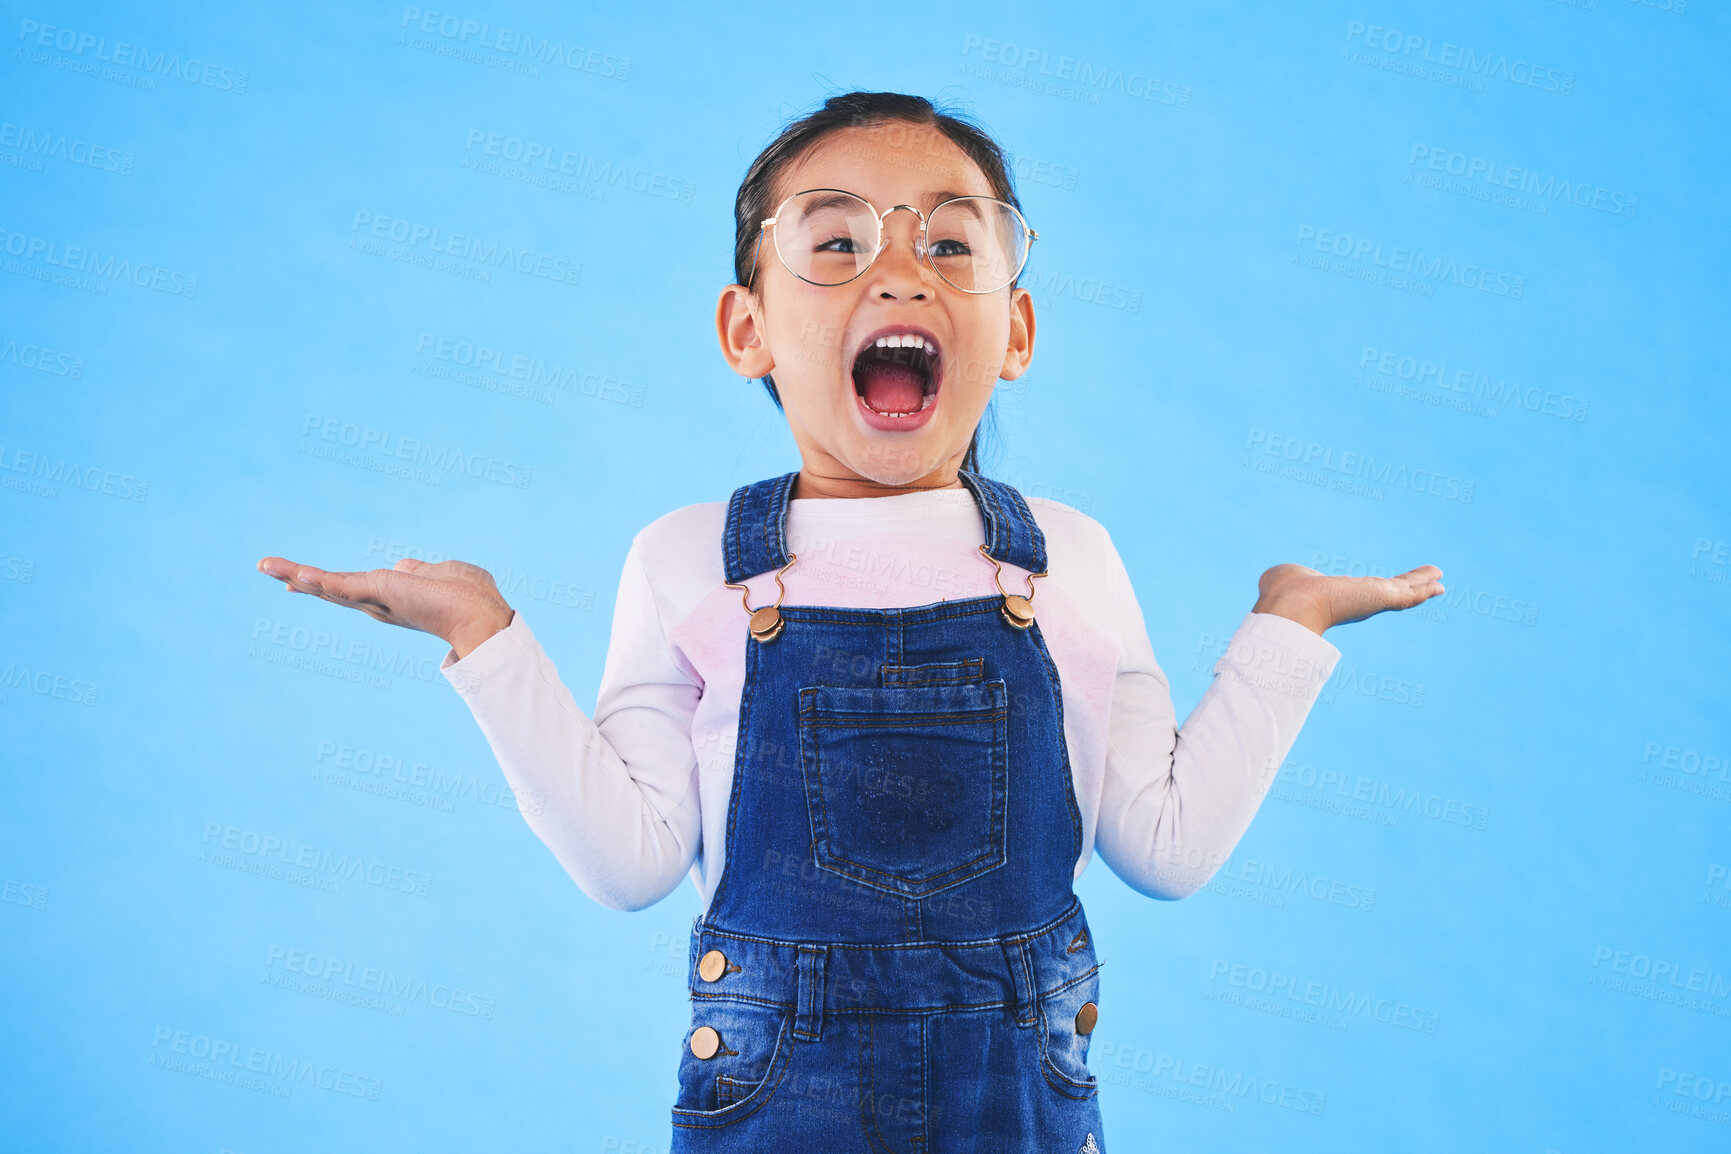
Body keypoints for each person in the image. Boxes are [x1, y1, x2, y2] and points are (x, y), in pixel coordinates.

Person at [257, 91, 1442, 1153]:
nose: (897, 270)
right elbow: (629, 863)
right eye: (834, 241)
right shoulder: (687, 562)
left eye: (947, 241)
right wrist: (485, 631)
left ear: (1015, 332)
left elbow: (1165, 847)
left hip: (1015, 1098)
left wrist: (1288, 630)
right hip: (778, 1099)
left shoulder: (1069, 555)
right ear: (747, 329)